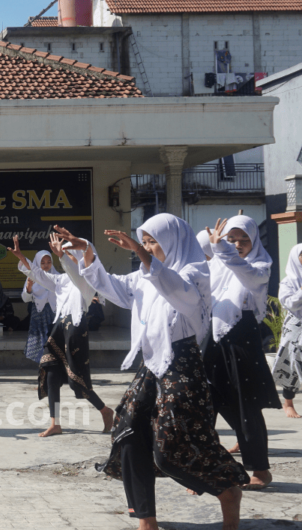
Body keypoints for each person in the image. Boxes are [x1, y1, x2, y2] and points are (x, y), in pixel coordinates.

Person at [55, 216, 247, 530]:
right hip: (152, 365)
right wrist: (86, 251)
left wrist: (145, 260)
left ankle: (227, 490)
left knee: (171, 449)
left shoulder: (195, 271)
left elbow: (180, 295)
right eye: (143, 242)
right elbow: (111, 286)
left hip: (183, 366)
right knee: (128, 431)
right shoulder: (144, 276)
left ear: (172, 241)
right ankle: (146, 519)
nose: (145, 247)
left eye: (152, 241)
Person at [203, 216, 280, 490]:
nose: (237, 244)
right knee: (210, 403)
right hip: (214, 341)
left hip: (243, 342)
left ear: (254, 240)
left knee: (247, 407)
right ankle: (204, 467)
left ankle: (260, 469)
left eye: (243, 239)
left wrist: (220, 249)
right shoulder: (217, 265)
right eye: (231, 239)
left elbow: (245, 273)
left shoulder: (261, 266)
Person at [10, 234, 113, 438]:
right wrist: (21, 256)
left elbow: (75, 272)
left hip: (75, 327)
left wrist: (63, 256)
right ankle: (55, 423)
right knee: (50, 371)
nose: (63, 257)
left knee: (76, 379)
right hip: (59, 327)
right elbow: (37, 273)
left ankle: (105, 410)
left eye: (68, 254)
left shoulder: (85, 279)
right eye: (64, 254)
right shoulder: (59, 280)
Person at [274, 243, 302, 419]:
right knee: (290, 363)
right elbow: (289, 303)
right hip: (295, 327)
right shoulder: (288, 281)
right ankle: (288, 402)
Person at [20, 251, 57, 364]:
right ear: (37, 263)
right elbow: (25, 298)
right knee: (39, 342)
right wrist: (29, 287)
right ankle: (43, 367)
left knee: (54, 341)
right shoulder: (32, 277)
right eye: (42, 263)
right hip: (39, 315)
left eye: (49, 262)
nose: (46, 265)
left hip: (54, 315)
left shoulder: (57, 277)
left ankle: (53, 367)